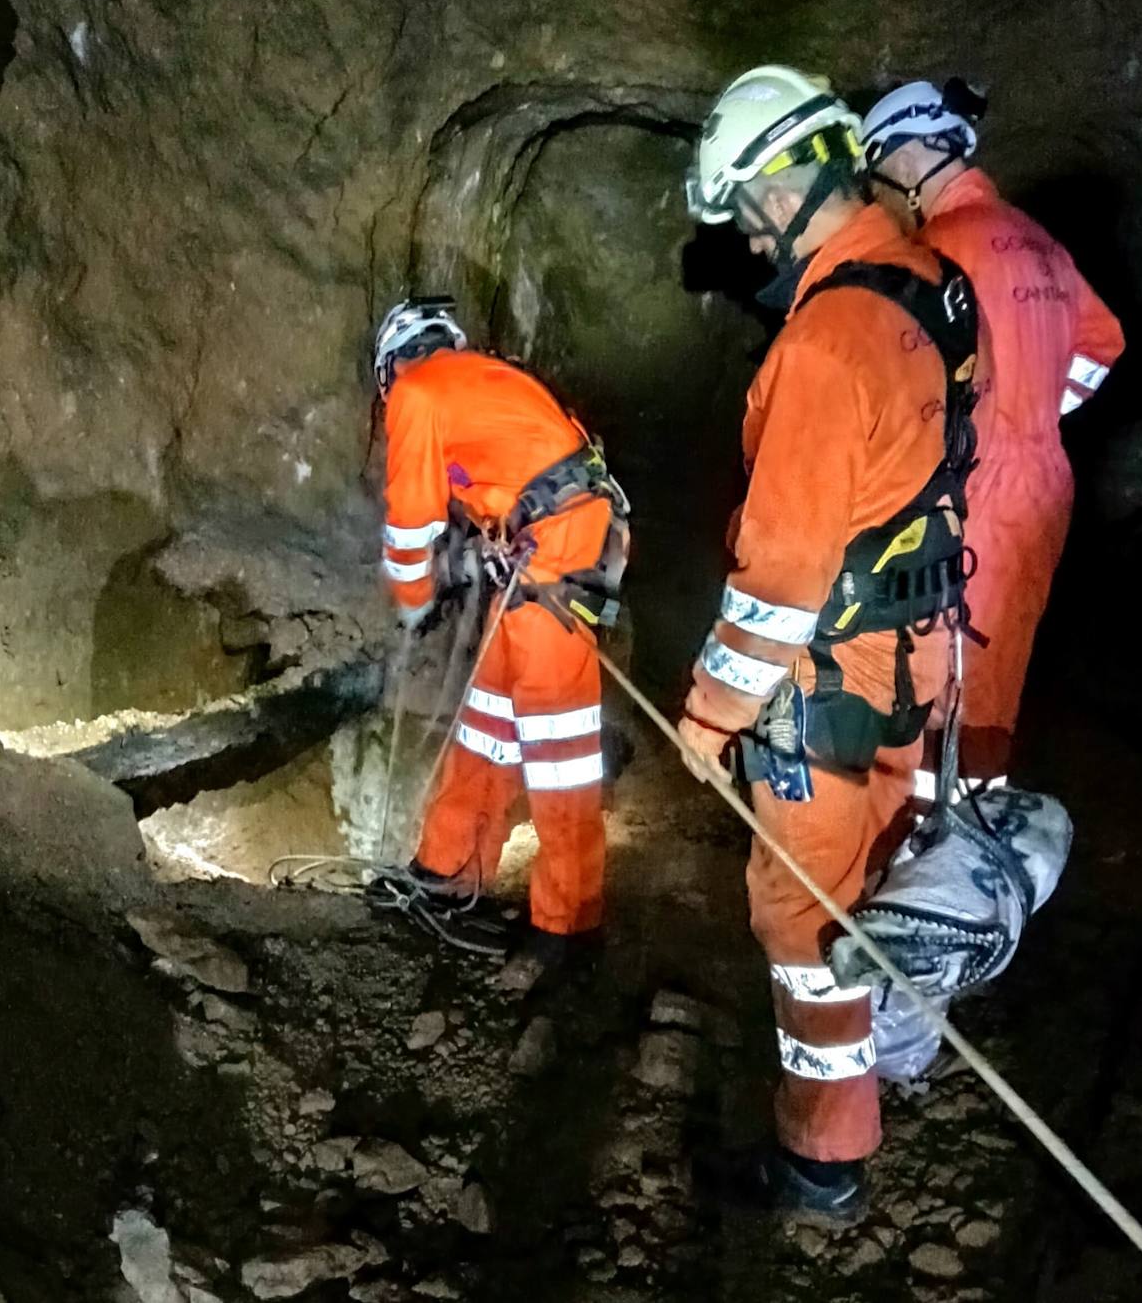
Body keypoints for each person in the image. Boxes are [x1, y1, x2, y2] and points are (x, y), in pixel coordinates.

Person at [679, 65, 980, 1217]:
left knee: (805, 920)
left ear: (785, 186)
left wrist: (710, 717)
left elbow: (779, 582)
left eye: (748, 214)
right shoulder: (930, 286)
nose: (751, 245)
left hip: (836, 681)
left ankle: (822, 1157)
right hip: (924, 655)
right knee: (885, 883)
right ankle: (893, 1062)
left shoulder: (821, 343)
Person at [861, 79, 1125, 786]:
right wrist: (1036, 408)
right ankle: (977, 845)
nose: (876, 197)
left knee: (936, 685)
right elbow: (1104, 343)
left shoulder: (940, 249)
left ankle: (931, 861)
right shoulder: (1039, 241)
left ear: (907, 158)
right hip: (1043, 485)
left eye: (875, 173)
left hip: (975, 493)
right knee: (995, 681)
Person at [367, 297, 628, 982]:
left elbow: (411, 524)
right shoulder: (478, 381)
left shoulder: (418, 395)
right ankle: (448, 870)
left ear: (393, 366)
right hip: (543, 545)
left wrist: (415, 599)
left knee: (557, 750)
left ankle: (569, 926)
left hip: (558, 560)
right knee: (487, 722)